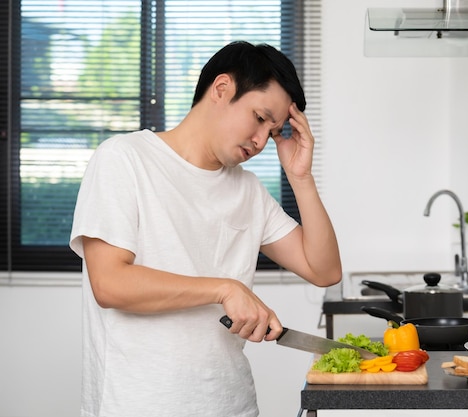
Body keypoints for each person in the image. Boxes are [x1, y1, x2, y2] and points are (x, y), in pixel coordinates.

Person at [69, 41, 342, 417]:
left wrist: (301, 176)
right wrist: (224, 288)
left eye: (275, 130)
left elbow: (324, 270)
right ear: (222, 89)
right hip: (137, 406)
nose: (262, 141)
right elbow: (110, 284)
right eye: (260, 118)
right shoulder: (124, 159)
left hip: (231, 405)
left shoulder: (248, 190)